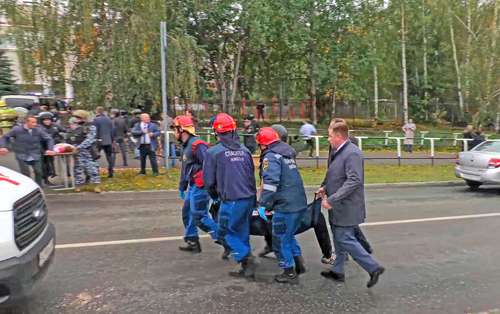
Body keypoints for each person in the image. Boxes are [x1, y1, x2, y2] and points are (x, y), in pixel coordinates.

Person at [317, 119, 384, 288]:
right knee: (339, 240)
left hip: (346, 206)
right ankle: (338, 271)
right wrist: (324, 188)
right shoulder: (338, 151)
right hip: (338, 206)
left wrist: (332, 199)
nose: (328, 139)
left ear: (339, 136)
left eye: (330, 136)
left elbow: (354, 181)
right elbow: (335, 175)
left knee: (344, 238)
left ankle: (373, 267)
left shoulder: (352, 153)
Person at [203, 113, 258, 279]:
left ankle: (245, 257)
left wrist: (215, 197)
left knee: (225, 231)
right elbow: (251, 176)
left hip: (231, 200)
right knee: (242, 230)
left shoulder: (214, 153)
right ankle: (246, 268)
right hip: (248, 198)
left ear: (217, 132)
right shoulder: (245, 151)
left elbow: (208, 181)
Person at [255, 127, 307, 284]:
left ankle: (289, 272)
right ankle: (299, 263)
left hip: (285, 206)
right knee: (289, 235)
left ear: (263, 145)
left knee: (280, 238)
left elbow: (270, 184)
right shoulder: (287, 154)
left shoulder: (271, 157)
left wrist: (262, 205)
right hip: (298, 203)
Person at [171, 115, 219, 253]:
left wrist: (208, 185)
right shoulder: (186, 146)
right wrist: (182, 186)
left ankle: (225, 239)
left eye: (175, 129)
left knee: (199, 215)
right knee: (187, 212)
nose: (174, 133)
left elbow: (209, 165)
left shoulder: (198, 145)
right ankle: (192, 241)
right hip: (193, 186)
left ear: (182, 130)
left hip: (201, 187)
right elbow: (186, 168)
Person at [0, 115, 55, 186]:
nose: (35, 124)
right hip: (22, 154)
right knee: (26, 173)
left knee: (38, 172)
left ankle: (38, 186)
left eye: (35, 122)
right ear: (26, 122)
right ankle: (28, 187)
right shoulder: (17, 130)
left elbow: (49, 138)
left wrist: (50, 149)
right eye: (32, 122)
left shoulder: (38, 130)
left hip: (35, 154)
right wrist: (3, 147)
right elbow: (5, 137)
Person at [66, 110, 101, 193]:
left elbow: (90, 139)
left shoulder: (91, 127)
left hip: (88, 152)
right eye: (76, 117)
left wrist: (78, 147)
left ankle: (96, 186)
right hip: (78, 153)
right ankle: (78, 186)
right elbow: (72, 138)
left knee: (93, 170)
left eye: (78, 117)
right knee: (78, 169)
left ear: (83, 118)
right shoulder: (76, 127)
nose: (76, 119)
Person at [39, 112, 65, 185]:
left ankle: (52, 175)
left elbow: (65, 131)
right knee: (43, 164)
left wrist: (61, 136)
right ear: (42, 121)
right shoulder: (39, 128)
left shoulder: (55, 126)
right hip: (42, 148)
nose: (47, 121)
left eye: (48, 120)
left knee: (51, 162)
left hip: (52, 147)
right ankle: (45, 179)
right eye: (45, 120)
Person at [94, 106, 114, 177]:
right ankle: (111, 172)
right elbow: (112, 130)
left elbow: (95, 131)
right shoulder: (109, 119)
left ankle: (95, 172)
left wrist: (95, 139)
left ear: (97, 111)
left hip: (99, 141)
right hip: (108, 140)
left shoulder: (96, 120)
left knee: (95, 157)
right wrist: (112, 140)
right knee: (109, 157)